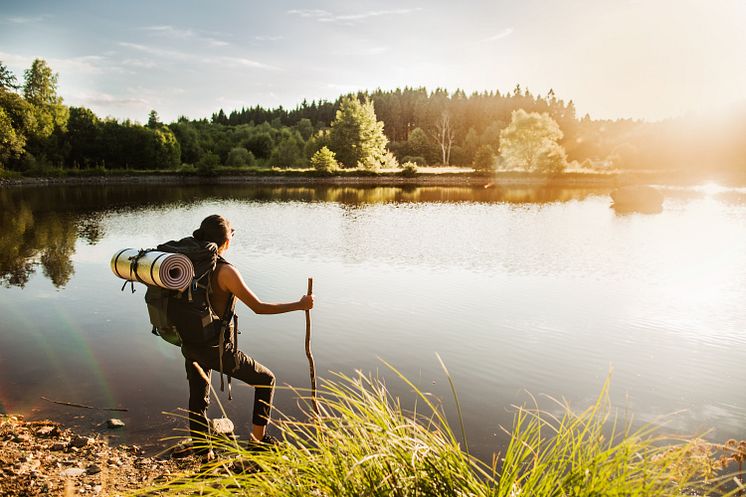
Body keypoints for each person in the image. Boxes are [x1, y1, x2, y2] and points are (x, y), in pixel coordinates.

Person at [180, 214, 313, 453]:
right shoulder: (226, 272)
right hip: (217, 349)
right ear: (226, 242)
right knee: (266, 380)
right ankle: (257, 441)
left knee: (198, 398)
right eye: (232, 233)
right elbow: (259, 307)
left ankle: (203, 451)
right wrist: (299, 304)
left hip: (190, 341)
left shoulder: (187, 262)